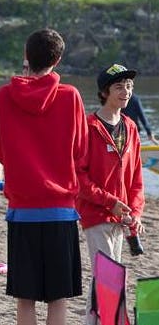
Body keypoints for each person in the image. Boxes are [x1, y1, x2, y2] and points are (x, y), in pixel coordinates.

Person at [0, 29, 87, 325]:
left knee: (25, 297)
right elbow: (80, 150)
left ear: (26, 57)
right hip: (61, 210)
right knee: (58, 298)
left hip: (22, 210)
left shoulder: (4, 96)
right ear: (58, 59)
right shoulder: (71, 96)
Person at [77, 64, 145, 325]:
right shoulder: (89, 125)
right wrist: (110, 202)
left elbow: (137, 179)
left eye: (129, 87)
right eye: (119, 87)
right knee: (107, 277)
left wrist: (135, 213)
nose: (126, 92)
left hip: (123, 219)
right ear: (104, 92)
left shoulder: (130, 128)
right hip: (96, 215)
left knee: (107, 277)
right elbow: (79, 176)